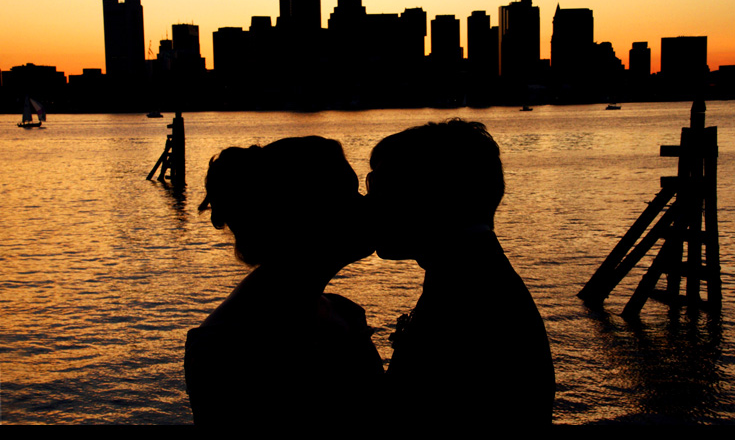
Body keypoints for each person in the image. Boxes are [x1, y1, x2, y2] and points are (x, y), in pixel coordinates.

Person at [367, 118, 555, 429]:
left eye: (379, 186)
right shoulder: (475, 277)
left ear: (431, 194)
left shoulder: (468, 298)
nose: (370, 203)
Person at [184, 136, 384, 427]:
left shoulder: (343, 311)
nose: (365, 204)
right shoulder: (228, 346)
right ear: (303, 214)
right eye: (347, 193)